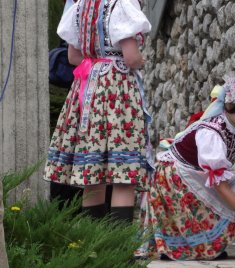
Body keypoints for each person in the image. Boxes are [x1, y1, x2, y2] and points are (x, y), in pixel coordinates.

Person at [136, 69, 235, 260]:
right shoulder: (212, 133)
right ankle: (188, 246)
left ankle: (207, 244)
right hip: (174, 177)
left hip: (197, 174)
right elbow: (220, 185)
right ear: (230, 106)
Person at [44, 0, 154, 222]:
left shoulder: (81, 6)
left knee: (93, 174)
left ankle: (96, 247)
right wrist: (141, 61)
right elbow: (131, 57)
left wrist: (95, 61)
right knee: (124, 173)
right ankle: (120, 250)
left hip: (87, 89)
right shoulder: (121, 4)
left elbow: (73, 57)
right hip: (116, 89)